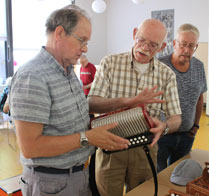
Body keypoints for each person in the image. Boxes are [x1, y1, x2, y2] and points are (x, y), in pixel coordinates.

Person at [9, 5, 129, 196]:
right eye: (82, 40)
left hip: (78, 176)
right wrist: (87, 137)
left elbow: (75, 114)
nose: (85, 48)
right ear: (60, 33)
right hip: (51, 183)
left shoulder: (67, 71)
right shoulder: (33, 76)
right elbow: (30, 146)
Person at [87, 18, 182, 196]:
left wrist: (165, 126)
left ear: (162, 48)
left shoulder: (166, 75)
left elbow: (176, 118)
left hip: (145, 148)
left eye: (153, 45)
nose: (145, 47)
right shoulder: (110, 63)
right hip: (110, 145)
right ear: (134, 34)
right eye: (141, 40)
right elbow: (91, 104)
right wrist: (127, 102)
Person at [157, 23, 207, 172]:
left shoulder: (199, 66)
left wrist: (196, 126)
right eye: (183, 44)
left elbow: (199, 98)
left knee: (180, 175)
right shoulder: (160, 65)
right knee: (158, 175)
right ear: (174, 44)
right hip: (162, 136)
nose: (187, 50)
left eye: (191, 46)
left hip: (187, 135)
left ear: (196, 47)